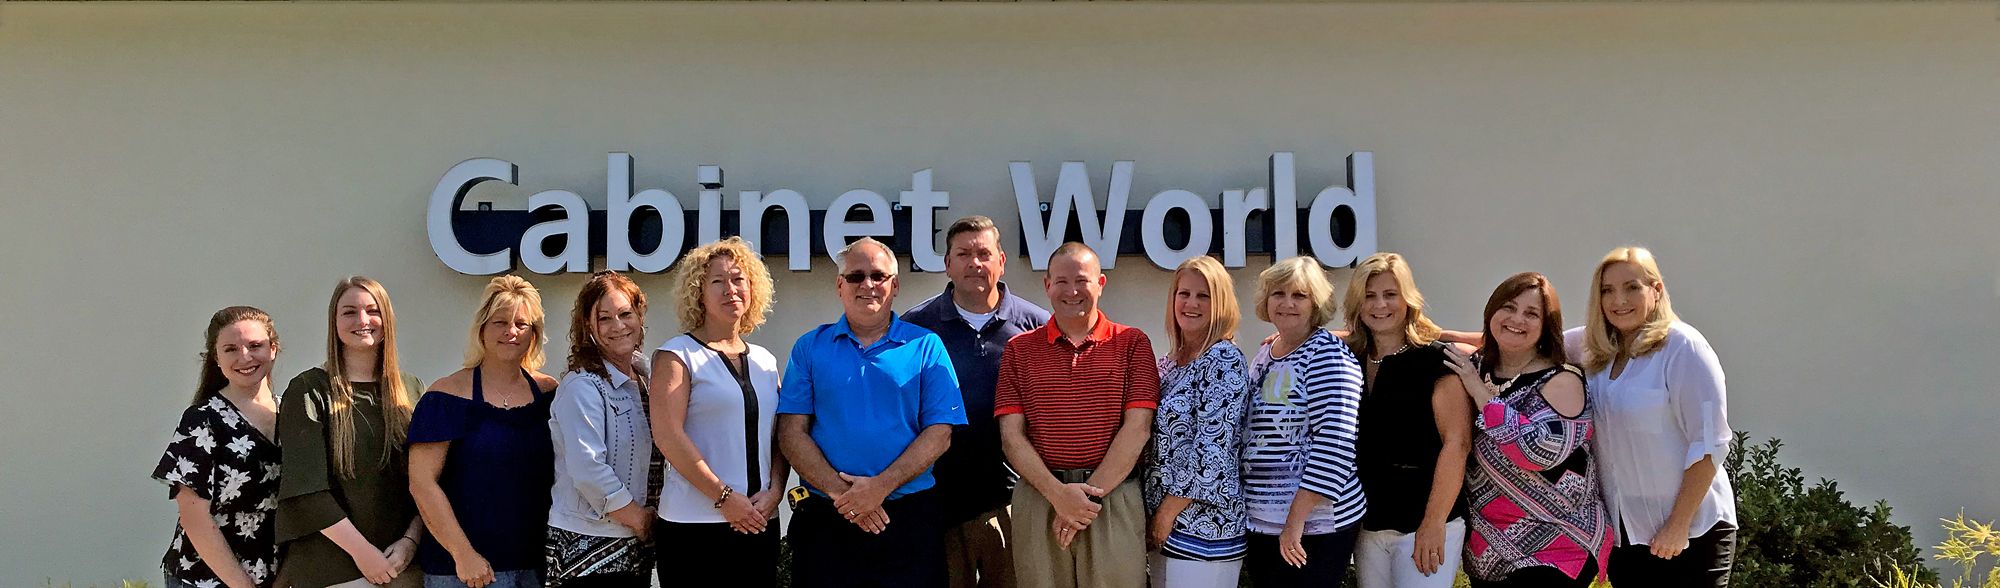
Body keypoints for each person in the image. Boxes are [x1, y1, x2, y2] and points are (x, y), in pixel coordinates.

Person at [777, 237, 967, 587]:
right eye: (855, 276)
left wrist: (880, 487)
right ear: (839, 286)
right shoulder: (809, 347)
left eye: (878, 275)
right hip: (826, 519)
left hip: (908, 521)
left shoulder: (926, 346)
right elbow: (790, 432)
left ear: (895, 285)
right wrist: (846, 496)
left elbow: (940, 432)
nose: (867, 285)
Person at [1569, 247, 1736, 587]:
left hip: (1690, 534)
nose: (1619, 300)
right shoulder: (1593, 347)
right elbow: (1518, 341)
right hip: (1626, 537)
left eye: (1632, 287)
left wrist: (1678, 526)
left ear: (1656, 290)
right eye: (1607, 290)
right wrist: (1438, 337)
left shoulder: (1683, 347)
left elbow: (1710, 443)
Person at [995, 242, 1158, 588]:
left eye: (1082, 280)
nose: (1072, 291)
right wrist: (1058, 495)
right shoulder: (1019, 350)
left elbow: (1138, 428)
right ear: (1047, 285)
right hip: (1041, 498)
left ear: (1100, 283)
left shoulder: (1132, 343)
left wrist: (1085, 499)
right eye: (1061, 281)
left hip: (1112, 499)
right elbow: (1011, 437)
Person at [902, 215, 1049, 588]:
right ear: (947, 264)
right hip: (937, 503)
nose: (975, 263)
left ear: (1001, 260)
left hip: (1016, 501)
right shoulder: (916, 328)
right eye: (963, 254)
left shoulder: (1037, 327)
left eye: (984, 253)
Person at [1443, 272, 1612, 588]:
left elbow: (1535, 451)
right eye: (1508, 307)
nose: (1517, 319)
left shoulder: (1561, 381)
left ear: (1545, 326)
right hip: (1489, 552)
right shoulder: (1479, 367)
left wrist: (1479, 393)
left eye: (1531, 313)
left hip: (1558, 545)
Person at [652, 238, 788, 587]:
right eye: (717, 281)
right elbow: (668, 436)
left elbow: (779, 436)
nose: (731, 289)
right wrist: (724, 498)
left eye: (738, 279)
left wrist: (774, 492)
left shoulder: (765, 360)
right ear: (699, 291)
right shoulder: (677, 355)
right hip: (694, 529)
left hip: (758, 523)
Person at [408, 275, 559, 588]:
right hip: (464, 573)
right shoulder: (444, 398)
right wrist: (463, 554)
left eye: (522, 324)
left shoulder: (550, 394)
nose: (511, 332)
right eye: (500, 322)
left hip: (536, 569)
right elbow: (422, 484)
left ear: (535, 333)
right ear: (481, 329)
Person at [278, 277, 426, 588]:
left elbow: (427, 482)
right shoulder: (308, 389)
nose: (362, 320)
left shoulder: (411, 389)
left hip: (403, 568)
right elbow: (306, 490)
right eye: (349, 312)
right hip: (332, 572)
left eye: (373, 310)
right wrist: (364, 555)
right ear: (334, 322)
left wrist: (410, 542)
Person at [1342, 254, 1473, 588]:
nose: (1380, 305)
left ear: (1408, 299)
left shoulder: (1436, 360)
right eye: (1369, 296)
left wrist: (1434, 522)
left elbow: (1457, 443)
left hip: (1424, 522)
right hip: (1368, 524)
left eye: (1390, 294)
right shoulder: (1347, 359)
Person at [1240, 256, 1366, 588]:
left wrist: (1294, 522)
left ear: (1316, 303)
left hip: (1313, 528)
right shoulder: (1265, 354)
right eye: (1278, 293)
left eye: (1300, 295)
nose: (1287, 303)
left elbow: (1335, 443)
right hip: (1263, 522)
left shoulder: (1327, 355)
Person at [154, 306, 284, 588]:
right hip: (205, 577)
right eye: (231, 349)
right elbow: (194, 517)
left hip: (274, 576)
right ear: (216, 358)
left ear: (273, 349)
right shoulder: (202, 419)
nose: (245, 357)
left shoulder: (294, 414)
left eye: (255, 345)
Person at [547, 270, 662, 588]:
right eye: (605, 318)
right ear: (588, 325)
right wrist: (638, 519)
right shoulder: (582, 386)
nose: (618, 326)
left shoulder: (650, 377)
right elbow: (587, 469)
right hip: (589, 545)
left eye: (626, 314)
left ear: (640, 315)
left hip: (636, 546)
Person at [1142, 256, 1248, 588]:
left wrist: (1167, 512)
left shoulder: (1223, 359)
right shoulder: (1169, 363)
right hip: (1167, 525)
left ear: (1221, 304)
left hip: (1204, 528)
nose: (1191, 303)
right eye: (1183, 293)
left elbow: (1213, 449)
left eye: (1203, 295)